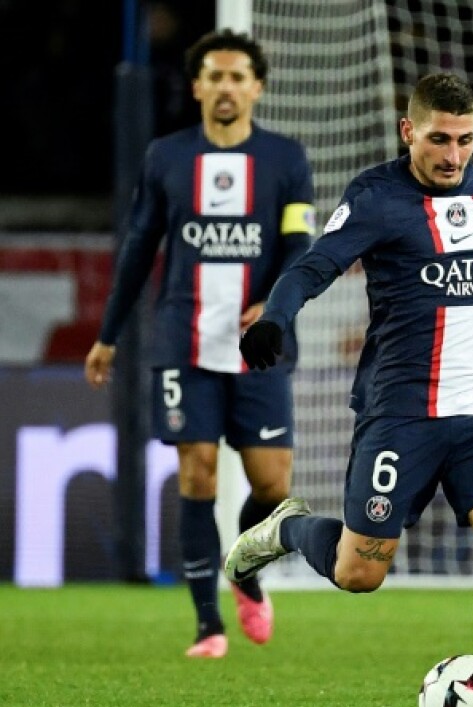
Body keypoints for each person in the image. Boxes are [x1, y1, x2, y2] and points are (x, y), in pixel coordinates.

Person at [225, 73, 473, 707]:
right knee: (359, 569)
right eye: (438, 140)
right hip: (400, 413)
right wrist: (275, 318)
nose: (452, 155)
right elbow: (314, 265)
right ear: (409, 132)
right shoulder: (377, 198)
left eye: (464, 140)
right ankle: (284, 530)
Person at [85, 29, 316, 659]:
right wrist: (107, 336)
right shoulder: (166, 156)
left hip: (259, 343)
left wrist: (274, 301)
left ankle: (243, 572)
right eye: (214, 76)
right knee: (198, 473)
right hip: (183, 339)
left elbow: (300, 244)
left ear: (257, 87)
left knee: (271, 485)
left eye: (238, 76)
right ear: (196, 87)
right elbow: (137, 251)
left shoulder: (286, 158)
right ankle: (207, 625)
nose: (225, 87)